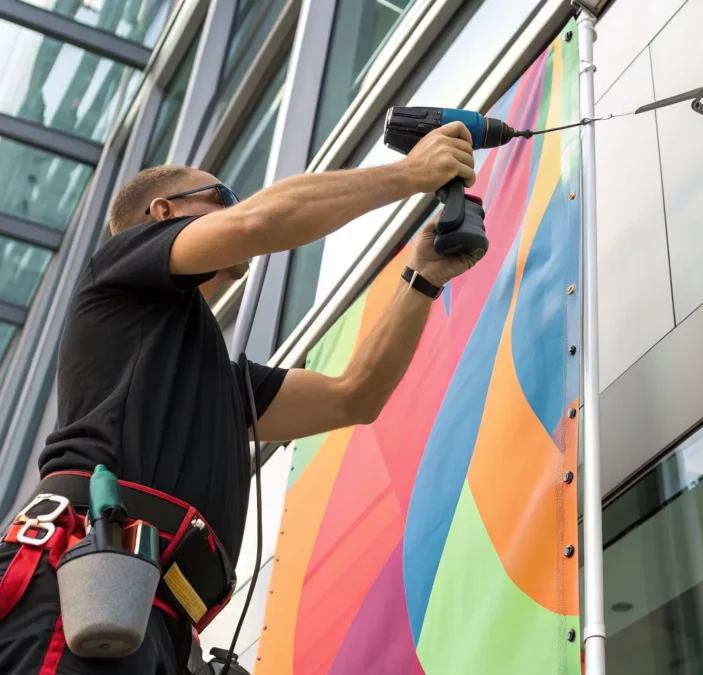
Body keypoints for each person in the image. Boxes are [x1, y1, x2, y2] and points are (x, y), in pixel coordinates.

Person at [0, 122, 479, 674]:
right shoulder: (117, 270)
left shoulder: (215, 379)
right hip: (81, 584)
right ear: (163, 213)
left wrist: (422, 276)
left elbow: (355, 397)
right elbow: (260, 221)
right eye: (221, 196)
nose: (237, 206)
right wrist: (409, 174)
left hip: (152, 615)